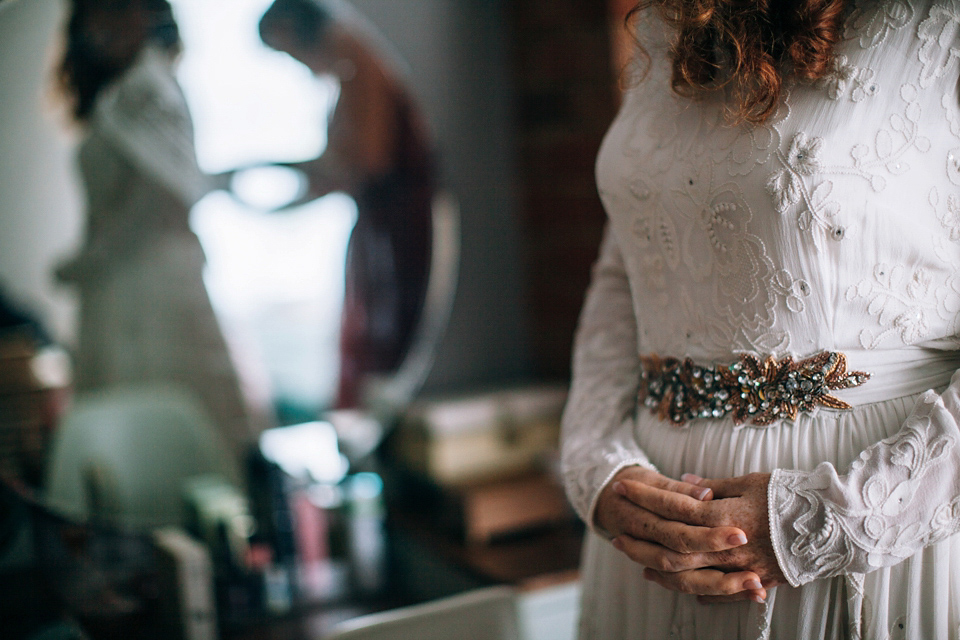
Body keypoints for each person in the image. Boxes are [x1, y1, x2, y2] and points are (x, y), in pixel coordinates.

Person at [561, 0, 960, 637]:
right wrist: (599, 470)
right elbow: (624, 270)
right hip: (650, 528)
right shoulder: (673, 22)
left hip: (865, 517)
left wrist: (824, 519)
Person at [55, 0, 258, 459]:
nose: (115, 26)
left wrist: (85, 264)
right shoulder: (122, 92)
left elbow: (166, 193)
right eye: (103, 14)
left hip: (152, 290)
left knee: (169, 429)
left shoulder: (146, 89)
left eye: (127, 11)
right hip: (119, 292)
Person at [257, 0, 435, 409]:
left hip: (397, 228)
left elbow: (367, 164)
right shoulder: (349, 69)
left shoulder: (359, 57)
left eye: (287, 52)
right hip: (380, 226)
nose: (297, 65)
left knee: (388, 339)